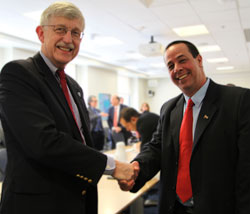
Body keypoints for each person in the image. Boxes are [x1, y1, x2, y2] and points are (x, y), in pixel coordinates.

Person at [0, 2, 136, 214]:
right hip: (38, 205)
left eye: (76, 33)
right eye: (60, 29)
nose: (68, 39)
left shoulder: (73, 86)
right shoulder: (18, 73)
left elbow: (81, 141)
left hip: (78, 200)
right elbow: (44, 142)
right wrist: (113, 167)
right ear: (40, 33)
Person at [118, 40, 250, 214]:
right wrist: (137, 168)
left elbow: (246, 169)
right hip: (175, 207)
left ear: (199, 60)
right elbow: (157, 148)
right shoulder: (169, 109)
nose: (177, 69)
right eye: (170, 65)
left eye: (182, 60)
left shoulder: (238, 101)